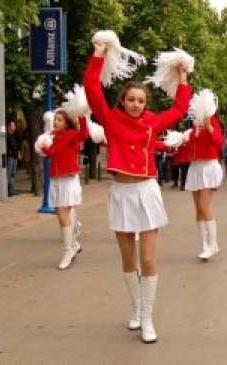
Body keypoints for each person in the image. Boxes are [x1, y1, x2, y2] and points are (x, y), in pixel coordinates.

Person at [83, 42, 191, 343]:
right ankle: (136, 307)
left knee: (148, 258)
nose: (135, 104)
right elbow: (92, 89)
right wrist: (99, 54)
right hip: (121, 194)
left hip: (146, 192)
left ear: (146, 103)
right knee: (127, 259)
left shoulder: (152, 123)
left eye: (141, 100)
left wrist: (182, 76)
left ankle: (147, 318)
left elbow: (180, 109)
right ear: (123, 100)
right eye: (131, 99)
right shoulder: (110, 119)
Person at [39, 111, 88, 270]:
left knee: (63, 216)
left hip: (68, 180)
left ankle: (69, 250)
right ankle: (73, 244)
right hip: (55, 179)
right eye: (55, 120)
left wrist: (82, 115)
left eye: (59, 120)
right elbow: (53, 153)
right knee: (63, 215)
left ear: (66, 123)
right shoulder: (54, 136)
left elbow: (83, 134)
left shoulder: (71, 134)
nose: (55, 122)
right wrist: (43, 148)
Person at [184, 114, 224, 259]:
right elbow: (191, 147)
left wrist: (209, 127)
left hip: (208, 166)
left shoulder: (212, 120)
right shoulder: (194, 123)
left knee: (204, 206)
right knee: (198, 209)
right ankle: (204, 245)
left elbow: (220, 143)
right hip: (195, 167)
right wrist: (186, 139)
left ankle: (214, 245)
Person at [6, 120, 21, 196]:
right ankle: (7, 190)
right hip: (10, 157)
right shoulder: (7, 136)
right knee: (9, 174)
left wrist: (18, 153)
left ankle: (12, 189)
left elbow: (16, 146)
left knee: (12, 174)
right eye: (13, 125)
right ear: (9, 127)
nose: (14, 127)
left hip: (14, 157)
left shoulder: (14, 136)